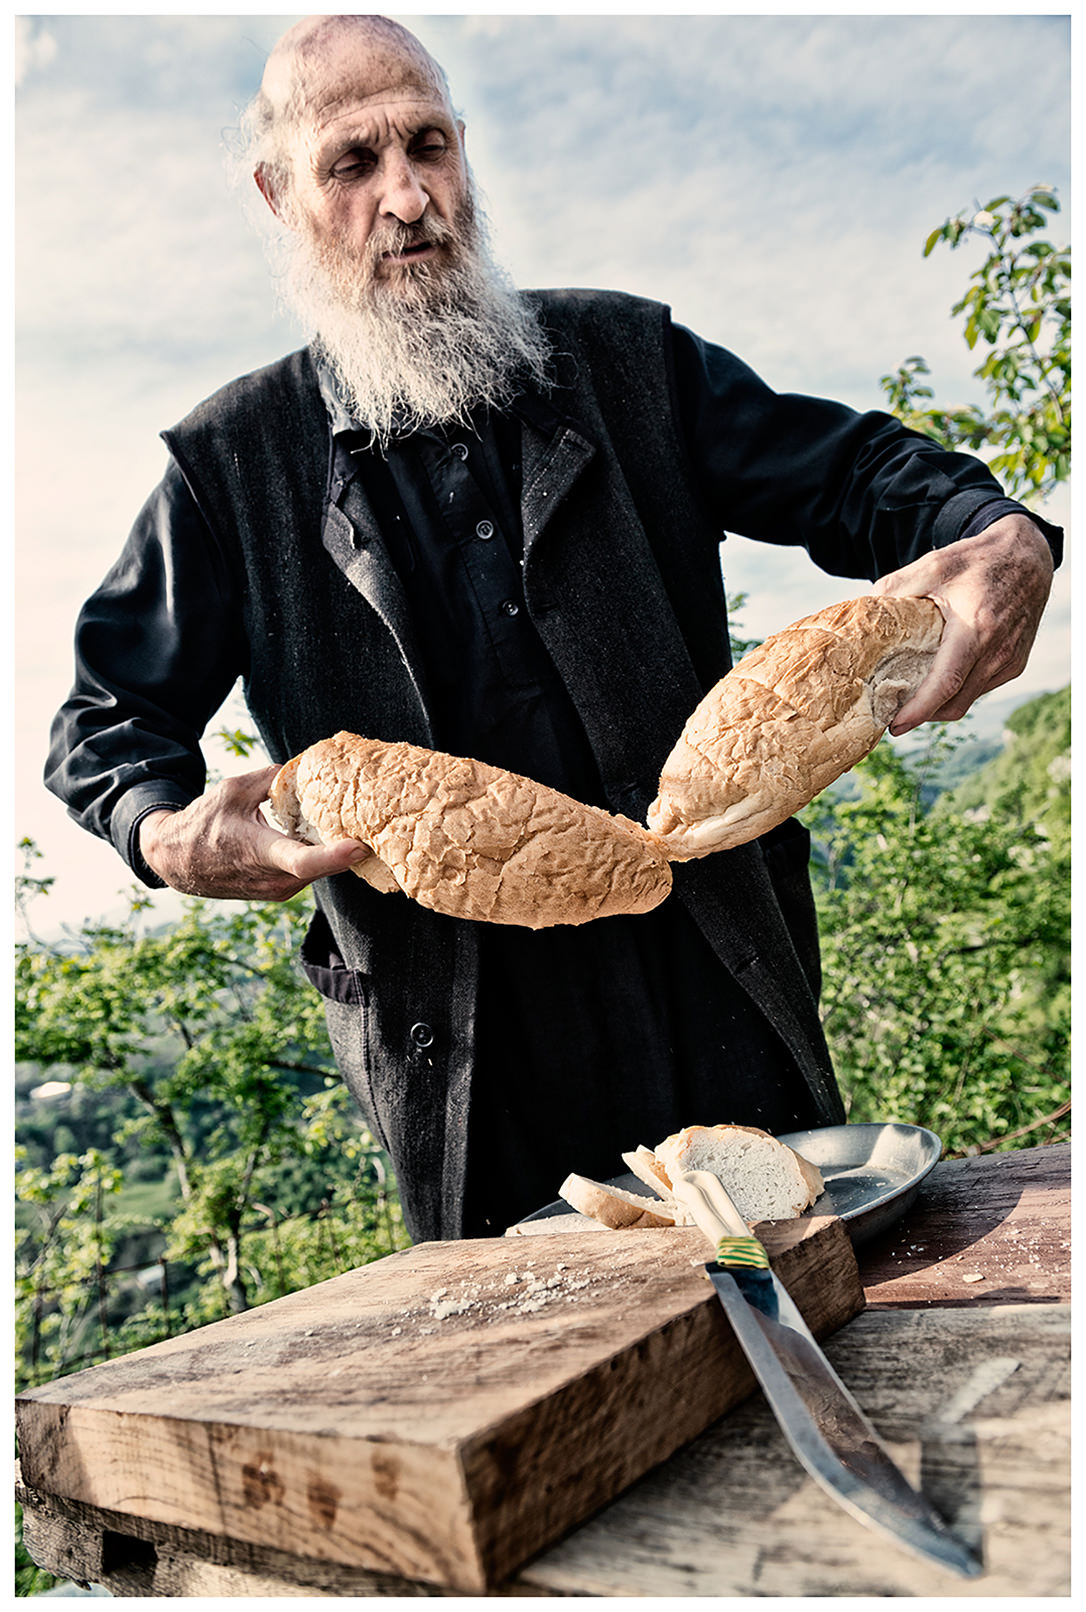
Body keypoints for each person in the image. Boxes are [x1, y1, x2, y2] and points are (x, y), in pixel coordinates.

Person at [45, 14, 1061, 1243]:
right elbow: (106, 718)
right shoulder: (229, 468)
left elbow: (858, 473)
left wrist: (1005, 535)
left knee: (798, 1298)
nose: (408, 197)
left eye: (429, 146)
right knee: (538, 1379)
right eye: (351, 164)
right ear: (279, 197)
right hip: (466, 1058)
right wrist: (162, 830)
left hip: (716, 984)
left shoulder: (629, 359)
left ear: (466, 153)